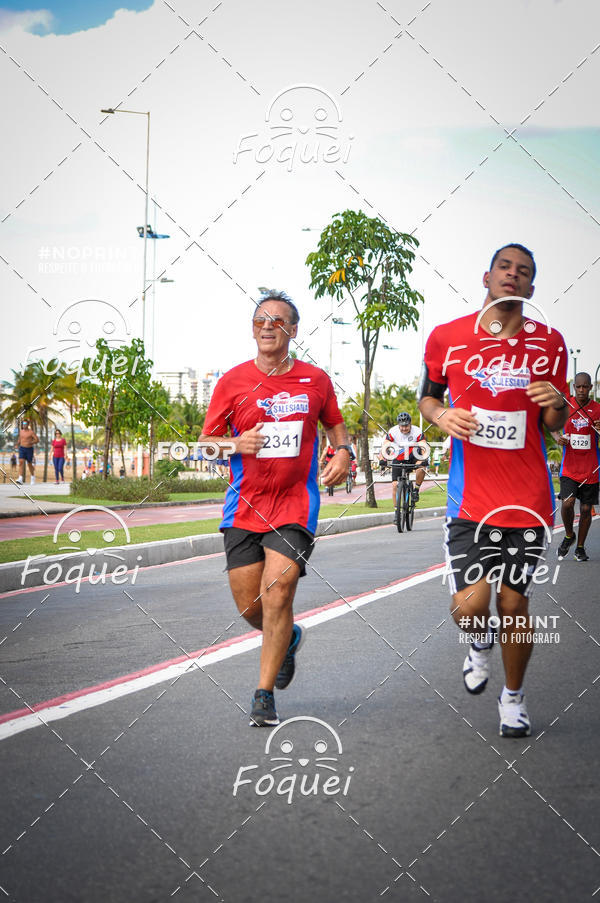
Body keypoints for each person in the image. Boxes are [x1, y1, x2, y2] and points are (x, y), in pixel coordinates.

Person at [419, 243, 569, 738]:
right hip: (470, 499)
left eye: (523, 271)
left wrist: (557, 403)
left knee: (514, 604)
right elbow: (428, 398)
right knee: (470, 607)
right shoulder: (448, 337)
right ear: (487, 277)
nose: (512, 275)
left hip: (527, 499)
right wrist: (443, 416)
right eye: (505, 267)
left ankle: (513, 698)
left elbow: (551, 422)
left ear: (531, 287)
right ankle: (479, 639)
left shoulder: (549, 343)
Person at [200, 290, 351, 727]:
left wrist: (343, 452)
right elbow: (206, 444)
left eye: (278, 320)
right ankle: (289, 637)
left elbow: (335, 425)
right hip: (244, 506)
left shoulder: (315, 380)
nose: (268, 326)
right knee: (252, 608)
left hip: (294, 504)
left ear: (293, 330)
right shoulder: (231, 382)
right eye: (261, 320)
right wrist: (235, 443)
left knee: (278, 591)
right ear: (253, 329)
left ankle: (263, 695)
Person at [552, 372, 600, 561]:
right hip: (569, 468)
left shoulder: (597, 409)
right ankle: (569, 535)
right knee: (567, 503)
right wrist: (558, 438)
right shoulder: (565, 406)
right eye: (578, 386)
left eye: (585, 386)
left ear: (590, 388)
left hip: (591, 468)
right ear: (574, 387)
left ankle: (580, 548)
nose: (581, 390)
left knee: (586, 509)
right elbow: (553, 426)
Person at [378, 412, 427, 505]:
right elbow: (385, 445)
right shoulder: (393, 431)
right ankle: (396, 511)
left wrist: (424, 459)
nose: (404, 428)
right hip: (399, 456)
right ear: (398, 425)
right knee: (394, 485)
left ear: (410, 424)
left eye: (406, 426)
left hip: (413, 455)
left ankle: (416, 490)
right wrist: (382, 458)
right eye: (402, 426)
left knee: (421, 468)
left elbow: (423, 446)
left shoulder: (417, 431)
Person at [15, 419, 38, 485]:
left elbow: (37, 440)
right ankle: (20, 478)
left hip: (29, 449)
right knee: (21, 462)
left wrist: (31, 442)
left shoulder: (31, 432)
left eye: (25, 424)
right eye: (23, 424)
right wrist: (17, 444)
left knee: (29, 464)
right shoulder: (21, 431)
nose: (24, 425)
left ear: (28, 424)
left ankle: (32, 477)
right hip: (22, 448)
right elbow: (20, 439)